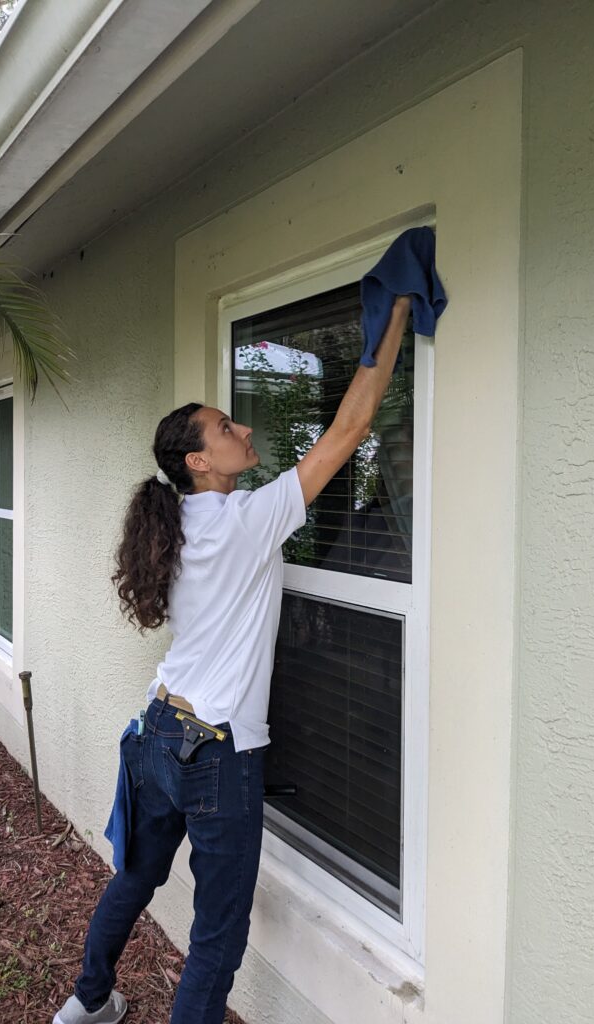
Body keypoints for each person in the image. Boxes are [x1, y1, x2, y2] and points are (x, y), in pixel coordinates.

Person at [53, 295, 412, 1024]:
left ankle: (87, 1003)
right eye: (225, 428)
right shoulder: (248, 521)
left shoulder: (175, 521)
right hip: (217, 753)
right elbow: (349, 431)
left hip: (157, 731)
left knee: (138, 875)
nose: (243, 428)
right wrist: (395, 311)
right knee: (217, 937)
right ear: (200, 462)